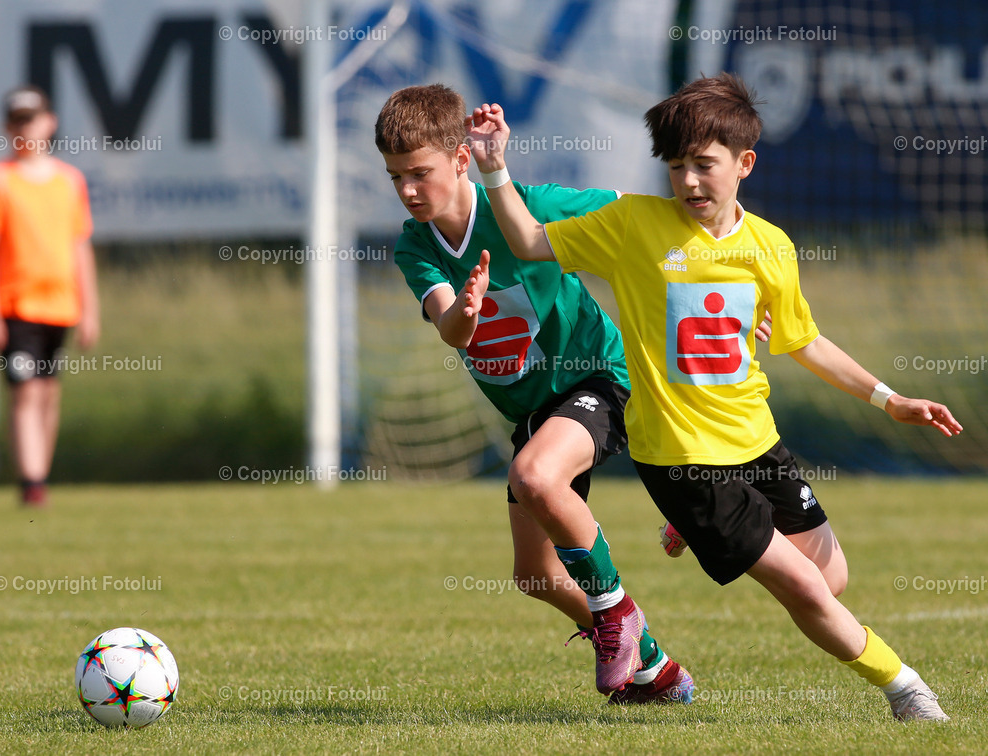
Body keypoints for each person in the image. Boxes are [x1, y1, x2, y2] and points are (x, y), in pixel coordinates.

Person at [468, 73, 962, 721]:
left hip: (756, 441)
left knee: (832, 579)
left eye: (704, 165)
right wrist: (496, 169)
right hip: (683, 461)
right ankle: (907, 691)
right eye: (677, 168)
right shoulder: (634, 226)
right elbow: (530, 241)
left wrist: (890, 399)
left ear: (744, 164)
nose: (690, 182)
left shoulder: (770, 248)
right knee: (808, 591)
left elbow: (803, 341)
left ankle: (692, 530)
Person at [374, 83, 696, 703]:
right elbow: (450, 327)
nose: (409, 190)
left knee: (535, 476)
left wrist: (730, 266)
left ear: (462, 158)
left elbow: (639, 219)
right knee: (536, 576)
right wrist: (465, 313)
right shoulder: (415, 246)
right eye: (395, 178)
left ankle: (617, 611)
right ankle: (654, 669)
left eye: (421, 173)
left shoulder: (532, 207)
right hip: (534, 411)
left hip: (597, 378)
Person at [0, 85, 100, 506]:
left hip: (59, 304)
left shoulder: (69, 181)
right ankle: (32, 483)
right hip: (16, 304)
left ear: (50, 122)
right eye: (18, 121)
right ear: (8, 128)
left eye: (33, 119)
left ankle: (38, 471)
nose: (27, 128)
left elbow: (80, 246)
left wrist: (90, 307)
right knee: (24, 391)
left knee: (47, 391)